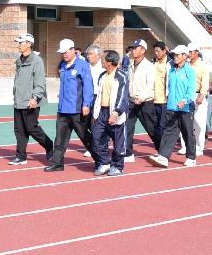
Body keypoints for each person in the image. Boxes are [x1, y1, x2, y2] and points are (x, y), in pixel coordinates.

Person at [45, 39, 93, 172]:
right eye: (62, 53)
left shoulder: (82, 65)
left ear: (73, 50)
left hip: (77, 109)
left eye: (65, 52)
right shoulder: (62, 65)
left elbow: (88, 86)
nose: (64, 55)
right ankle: (57, 163)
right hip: (63, 109)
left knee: (85, 136)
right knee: (60, 138)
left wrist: (86, 104)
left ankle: (101, 160)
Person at [149, 45, 197, 168]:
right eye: (174, 55)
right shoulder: (171, 70)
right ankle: (164, 156)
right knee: (169, 131)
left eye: (177, 55)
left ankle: (191, 157)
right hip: (171, 107)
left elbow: (192, 90)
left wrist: (184, 101)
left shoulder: (189, 71)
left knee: (187, 132)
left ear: (185, 56)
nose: (175, 57)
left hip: (185, 108)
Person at [11, 33, 54, 165]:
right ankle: (21, 156)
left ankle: (49, 146)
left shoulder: (37, 61)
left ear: (29, 44)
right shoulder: (19, 60)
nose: (19, 45)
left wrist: (35, 98)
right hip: (19, 101)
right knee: (19, 130)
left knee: (32, 128)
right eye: (18, 43)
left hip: (31, 101)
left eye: (21, 42)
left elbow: (40, 82)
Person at [92, 50, 129, 176]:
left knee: (118, 143)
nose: (101, 61)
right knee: (97, 138)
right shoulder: (102, 76)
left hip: (115, 113)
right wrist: (95, 113)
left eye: (103, 59)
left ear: (109, 62)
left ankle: (118, 166)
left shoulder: (121, 76)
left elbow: (122, 97)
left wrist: (116, 113)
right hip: (102, 112)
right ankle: (104, 163)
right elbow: (98, 95)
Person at [125, 39, 157, 162]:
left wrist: (141, 97)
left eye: (136, 48)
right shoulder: (131, 64)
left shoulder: (148, 66)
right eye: (132, 48)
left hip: (145, 102)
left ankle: (162, 149)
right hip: (132, 101)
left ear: (143, 50)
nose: (133, 50)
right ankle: (128, 153)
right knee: (127, 127)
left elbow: (150, 84)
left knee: (151, 127)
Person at [179, 43, 210, 157]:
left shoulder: (202, 65)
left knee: (198, 123)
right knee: (184, 121)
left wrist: (201, 95)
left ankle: (199, 147)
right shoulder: (185, 65)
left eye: (191, 52)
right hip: (185, 96)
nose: (189, 54)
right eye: (188, 52)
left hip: (197, 95)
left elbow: (205, 82)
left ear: (197, 52)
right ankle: (185, 146)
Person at [152, 41, 169, 147]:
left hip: (164, 100)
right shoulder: (153, 62)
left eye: (158, 51)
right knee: (154, 124)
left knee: (162, 124)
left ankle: (163, 147)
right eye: (154, 51)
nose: (156, 53)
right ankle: (159, 145)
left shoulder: (170, 64)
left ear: (164, 51)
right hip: (153, 99)